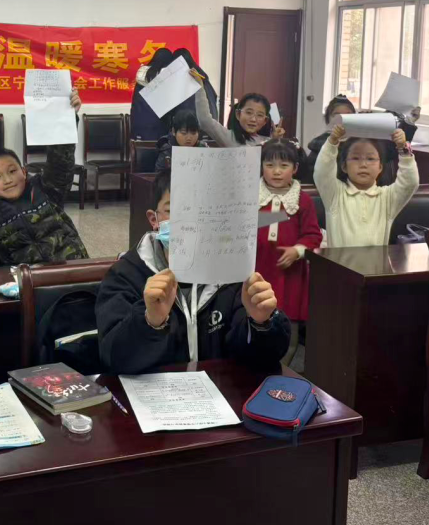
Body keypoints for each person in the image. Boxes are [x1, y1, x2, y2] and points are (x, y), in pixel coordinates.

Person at [96, 169, 290, 374]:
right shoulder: (126, 275)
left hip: (218, 389)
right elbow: (112, 357)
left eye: (200, 211)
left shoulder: (232, 274)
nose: (188, 221)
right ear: (154, 219)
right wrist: (150, 321)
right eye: (174, 211)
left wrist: (260, 323)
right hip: (151, 390)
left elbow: (262, 358)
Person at [0, 89, 88, 267]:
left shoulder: (45, 188)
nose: (8, 180)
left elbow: (60, 160)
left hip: (74, 270)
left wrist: (66, 116)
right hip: (28, 280)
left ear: (24, 172)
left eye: (12, 171)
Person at [256, 139, 322, 365]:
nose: (276, 171)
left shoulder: (302, 200)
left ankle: (279, 372)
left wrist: (297, 250)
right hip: (257, 270)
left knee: (288, 334)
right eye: (269, 165)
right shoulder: (252, 196)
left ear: (295, 168)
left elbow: (313, 235)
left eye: (283, 166)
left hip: (289, 276)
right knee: (254, 323)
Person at [313, 124, 419, 247]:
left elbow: (410, 183)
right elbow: (322, 172)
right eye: (355, 158)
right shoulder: (335, 194)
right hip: (339, 260)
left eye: (370, 159)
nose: (363, 164)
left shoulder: (387, 198)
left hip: (377, 260)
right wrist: (332, 142)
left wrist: (403, 148)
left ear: (380, 167)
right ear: (344, 166)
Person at [191, 70, 284, 147]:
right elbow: (205, 120)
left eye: (259, 115)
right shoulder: (229, 137)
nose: (253, 119)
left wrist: (275, 141)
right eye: (249, 112)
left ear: (265, 121)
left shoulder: (268, 142)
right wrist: (200, 87)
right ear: (238, 114)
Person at [300, 95, 355, 184]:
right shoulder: (318, 145)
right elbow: (310, 175)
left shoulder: (359, 143)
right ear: (328, 119)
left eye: (348, 115)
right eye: (336, 115)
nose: (342, 118)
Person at [130, 48, 175, 141]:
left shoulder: (141, 75)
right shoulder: (166, 77)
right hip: (158, 126)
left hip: (138, 124)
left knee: (141, 148)